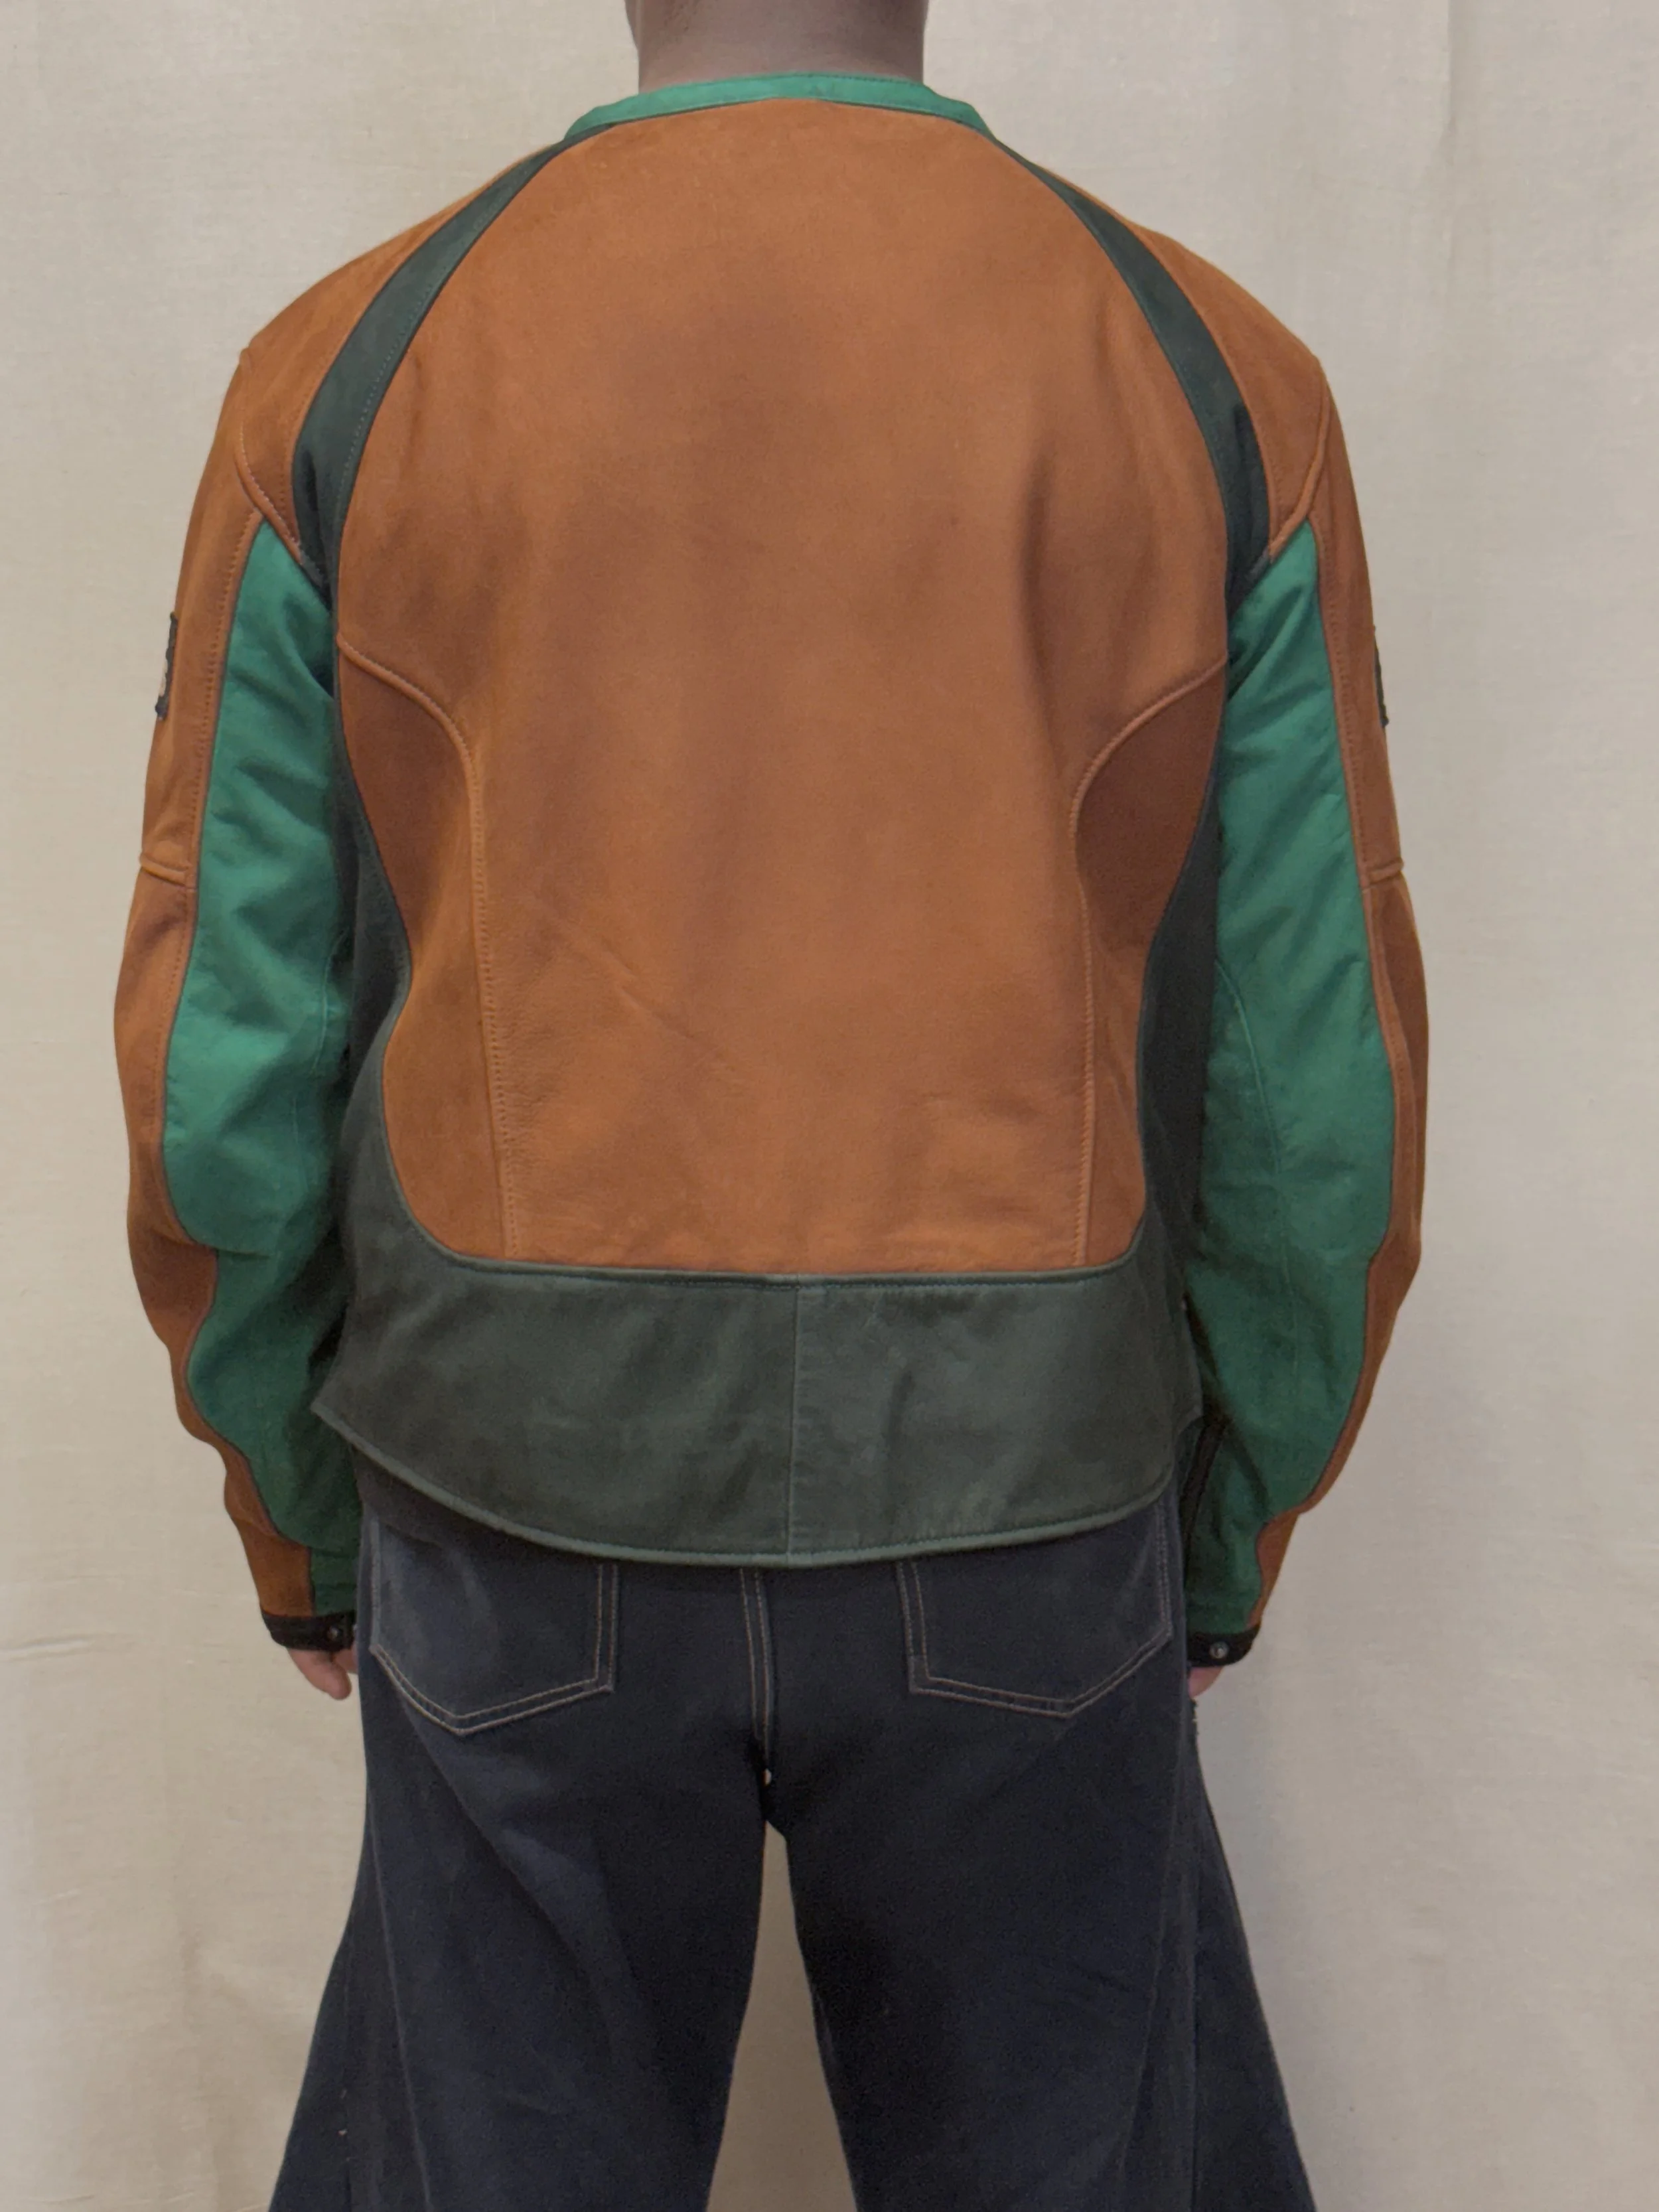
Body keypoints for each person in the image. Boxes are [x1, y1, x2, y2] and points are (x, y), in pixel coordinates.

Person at [114, 0, 1427, 2203]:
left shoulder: (347, 369)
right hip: (1025, 1495)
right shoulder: (1206, 371)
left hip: (508, 1491)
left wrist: (298, 1507)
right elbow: (1315, 1082)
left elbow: (219, 1053)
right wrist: (1221, 1529)